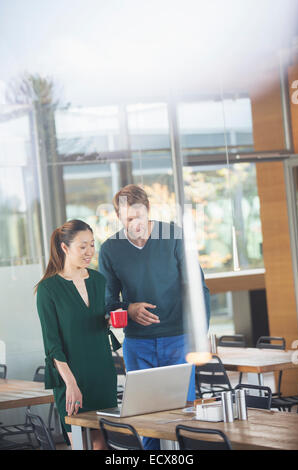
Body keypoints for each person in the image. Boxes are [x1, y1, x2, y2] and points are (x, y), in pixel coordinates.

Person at [99, 184, 210, 450]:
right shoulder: (110, 250)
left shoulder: (174, 237)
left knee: (184, 417)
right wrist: (128, 309)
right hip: (138, 345)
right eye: (128, 219)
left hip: (179, 340)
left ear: (148, 210)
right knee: (146, 420)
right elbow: (107, 303)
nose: (135, 224)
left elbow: (197, 290)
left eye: (140, 216)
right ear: (119, 217)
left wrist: (199, 340)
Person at [35, 219, 118, 450]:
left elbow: (96, 322)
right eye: (82, 246)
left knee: (103, 447)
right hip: (72, 381)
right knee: (81, 445)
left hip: (103, 377)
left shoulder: (99, 281)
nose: (89, 251)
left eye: (92, 245)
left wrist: (109, 319)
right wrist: (70, 383)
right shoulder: (48, 289)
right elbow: (52, 345)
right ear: (65, 247)